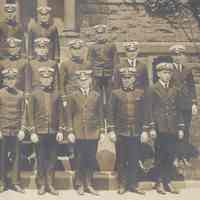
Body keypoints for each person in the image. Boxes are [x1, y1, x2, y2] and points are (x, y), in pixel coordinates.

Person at [146, 57, 185, 194]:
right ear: (158, 74)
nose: (166, 75)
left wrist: (180, 127)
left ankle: (168, 181)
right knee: (160, 155)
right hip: (159, 127)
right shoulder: (153, 89)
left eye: (168, 73)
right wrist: (151, 127)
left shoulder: (175, 89)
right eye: (163, 73)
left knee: (170, 154)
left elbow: (178, 109)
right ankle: (159, 182)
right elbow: (149, 109)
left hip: (172, 127)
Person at [64, 69, 104, 196]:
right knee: (79, 158)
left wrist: (102, 131)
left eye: (86, 80)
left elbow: (100, 114)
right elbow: (69, 115)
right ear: (77, 82)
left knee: (91, 158)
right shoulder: (72, 95)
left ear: (90, 80)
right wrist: (70, 131)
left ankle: (89, 184)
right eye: (81, 80)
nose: (84, 82)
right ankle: (79, 184)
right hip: (78, 131)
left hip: (93, 131)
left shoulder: (96, 95)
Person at [107, 67, 147, 195]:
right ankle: (123, 184)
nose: (126, 81)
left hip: (136, 132)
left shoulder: (140, 93)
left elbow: (145, 113)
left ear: (134, 79)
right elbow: (110, 113)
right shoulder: (115, 93)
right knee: (121, 159)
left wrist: (145, 130)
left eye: (129, 78)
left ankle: (134, 184)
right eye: (124, 78)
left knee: (134, 158)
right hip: (121, 132)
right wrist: (111, 130)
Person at [28, 66, 63, 195]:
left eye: (48, 78)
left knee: (53, 159)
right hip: (40, 132)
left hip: (53, 131)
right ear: (40, 79)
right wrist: (32, 132)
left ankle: (51, 184)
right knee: (41, 159)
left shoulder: (57, 93)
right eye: (44, 78)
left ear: (52, 79)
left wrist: (60, 130)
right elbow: (30, 114)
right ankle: (42, 184)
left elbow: (61, 113)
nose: (46, 80)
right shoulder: (34, 94)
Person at [170, 44, 198, 166]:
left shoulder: (187, 70)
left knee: (186, 130)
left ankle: (184, 156)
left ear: (183, 56)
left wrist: (194, 104)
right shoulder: (169, 70)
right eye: (175, 55)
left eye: (180, 55)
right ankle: (175, 156)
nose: (178, 57)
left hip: (186, 105)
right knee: (175, 130)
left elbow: (192, 88)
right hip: (175, 105)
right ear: (172, 57)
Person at [0, 67, 26, 193]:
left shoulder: (21, 94)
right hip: (3, 130)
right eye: (8, 79)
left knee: (16, 158)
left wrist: (22, 129)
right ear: (4, 80)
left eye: (12, 79)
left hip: (16, 130)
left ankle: (16, 182)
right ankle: (2, 182)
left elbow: (23, 113)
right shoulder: (0, 93)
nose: (10, 81)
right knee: (2, 156)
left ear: (16, 80)